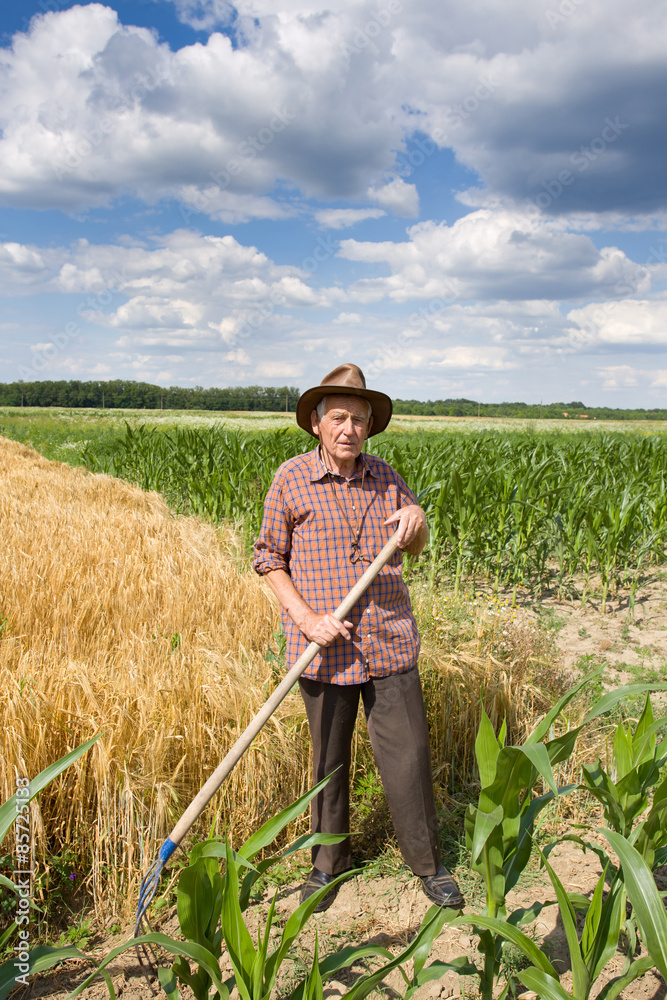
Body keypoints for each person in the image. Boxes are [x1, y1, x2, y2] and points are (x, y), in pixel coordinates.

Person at [253, 363, 463, 912]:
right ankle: (329, 862)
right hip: (322, 647)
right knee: (328, 760)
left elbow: (414, 543)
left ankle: (428, 864)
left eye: (360, 419)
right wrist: (306, 619)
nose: (349, 428)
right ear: (318, 424)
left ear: (370, 427)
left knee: (410, 755)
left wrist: (417, 521)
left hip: (388, 641)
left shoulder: (386, 478)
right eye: (339, 417)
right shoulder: (292, 479)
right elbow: (269, 559)